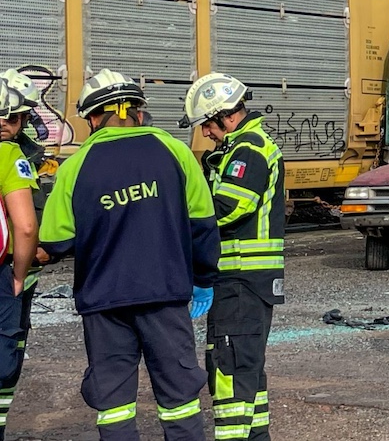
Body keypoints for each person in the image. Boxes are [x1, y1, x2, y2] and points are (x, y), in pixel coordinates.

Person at [39, 69, 219, 440]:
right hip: (165, 296)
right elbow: (202, 224)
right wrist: (203, 280)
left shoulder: (75, 167)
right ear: (138, 111)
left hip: (103, 302)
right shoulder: (175, 151)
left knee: (114, 404)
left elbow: (56, 240)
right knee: (179, 397)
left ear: (92, 118)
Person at [181, 73, 285, 441]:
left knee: (229, 370)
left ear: (224, 115)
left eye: (206, 124)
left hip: (240, 280)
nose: (205, 133)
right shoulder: (242, 147)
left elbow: (229, 206)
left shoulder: (248, 149)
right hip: (246, 282)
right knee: (247, 371)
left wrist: (180, 216)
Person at [0, 70, 53, 438]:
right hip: (7, 273)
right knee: (5, 356)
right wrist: (19, 274)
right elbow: (26, 226)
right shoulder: (10, 154)